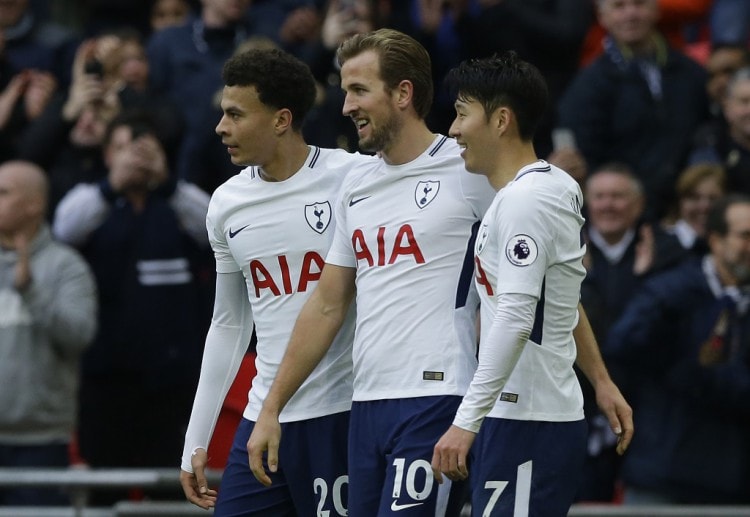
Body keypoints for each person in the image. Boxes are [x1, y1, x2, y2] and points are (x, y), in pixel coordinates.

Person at [249, 29, 632, 516]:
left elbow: (539, 288)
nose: (346, 106)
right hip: (367, 400)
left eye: (359, 90)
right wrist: (271, 405)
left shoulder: (475, 172)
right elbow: (326, 304)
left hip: (444, 396)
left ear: (403, 93)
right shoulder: (356, 184)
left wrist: (596, 377)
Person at [428, 52, 632, 516]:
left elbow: (518, 316)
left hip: (529, 418)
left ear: (501, 120)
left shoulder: (529, 198)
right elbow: (562, 300)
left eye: (461, 114)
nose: (453, 130)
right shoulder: (534, 191)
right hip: (518, 413)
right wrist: (600, 380)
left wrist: (465, 421)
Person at [179, 47, 368, 515]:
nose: (221, 127)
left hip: (341, 412)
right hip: (264, 415)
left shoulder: (355, 177)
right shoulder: (227, 203)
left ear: (282, 119)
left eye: (235, 114)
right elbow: (229, 324)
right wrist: (196, 438)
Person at [52, 109, 212, 503]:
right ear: (107, 154)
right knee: (107, 484)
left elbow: (214, 229)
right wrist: (112, 186)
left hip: (173, 377)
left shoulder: (179, 200)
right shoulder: (91, 199)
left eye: (144, 149)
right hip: (106, 376)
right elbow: (64, 229)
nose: (134, 158)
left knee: (171, 485)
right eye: (123, 148)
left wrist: (167, 183)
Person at [605, 193, 750, 504]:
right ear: (716, 240)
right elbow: (621, 346)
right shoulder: (672, 290)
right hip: (662, 475)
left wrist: (697, 375)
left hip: (734, 484)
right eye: (745, 236)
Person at [0, 160, 97, 506]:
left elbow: (79, 335)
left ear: (34, 205)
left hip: (41, 443)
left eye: (4, 193)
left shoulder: (66, 266)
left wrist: (32, 292)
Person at [557, 0, 709, 221]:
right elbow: (584, 155)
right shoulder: (588, 85)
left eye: (639, 4)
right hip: (625, 214)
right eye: (619, 6)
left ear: (656, 10)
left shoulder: (691, 73)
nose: (631, 14)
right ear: (602, 17)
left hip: (688, 209)